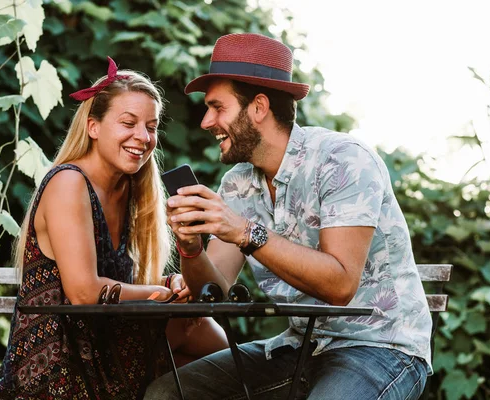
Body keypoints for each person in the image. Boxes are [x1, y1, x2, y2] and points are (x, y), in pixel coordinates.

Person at [144, 33, 432, 400]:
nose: (205, 121)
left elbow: (340, 285)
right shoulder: (237, 183)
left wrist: (247, 232)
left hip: (381, 347)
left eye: (218, 107)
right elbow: (212, 292)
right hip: (302, 346)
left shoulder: (343, 160)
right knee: (167, 393)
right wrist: (190, 248)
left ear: (259, 107)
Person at [0, 57, 227, 400]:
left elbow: (123, 288)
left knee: (205, 339)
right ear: (93, 126)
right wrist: (162, 293)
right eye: (128, 123)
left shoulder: (129, 191)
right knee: (196, 332)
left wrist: (168, 286)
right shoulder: (69, 182)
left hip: (105, 346)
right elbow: (83, 292)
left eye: (152, 126)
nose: (142, 137)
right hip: (59, 362)